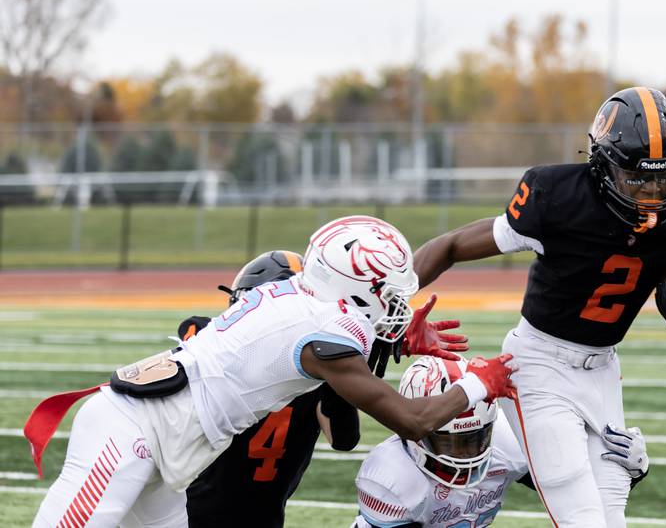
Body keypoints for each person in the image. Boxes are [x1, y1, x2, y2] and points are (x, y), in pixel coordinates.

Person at [412, 87, 666, 527]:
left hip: (603, 370)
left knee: (611, 516)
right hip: (538, 364)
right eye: (636, 179)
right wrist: (394, 299)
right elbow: (451, 245)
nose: (652, 193)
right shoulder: (556, 197)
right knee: (581, 517)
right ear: (602, 166)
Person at [25, 215, 517, 528]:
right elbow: (412, 420)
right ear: (359, 289)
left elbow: (437, 254)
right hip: (131, 432)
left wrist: (396, 331)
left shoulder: (307, 295)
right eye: (388, 293)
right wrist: (483, 380)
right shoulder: (325, 332)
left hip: (168, 453)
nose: (396, 302)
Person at [351, 356, 650, 528]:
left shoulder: (507, 444)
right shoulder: (394, 478)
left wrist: (628, 472)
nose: (465, 454)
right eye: (451, 442)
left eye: (473, 438)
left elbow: (581, 494)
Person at [179, 250, 361, 528]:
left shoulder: (213, 341)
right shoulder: (320, 368)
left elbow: (344, 438)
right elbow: (344, 439)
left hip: (195, 514)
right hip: (260, 516)